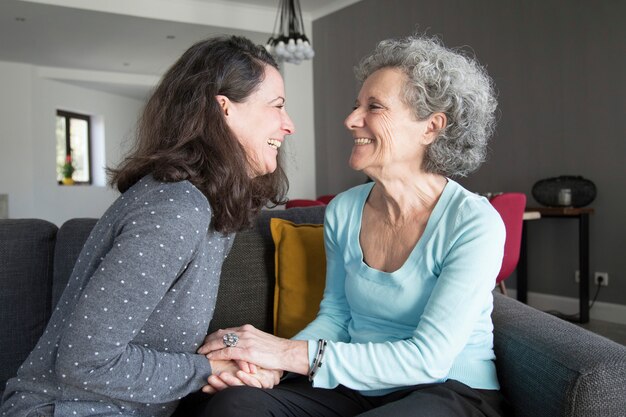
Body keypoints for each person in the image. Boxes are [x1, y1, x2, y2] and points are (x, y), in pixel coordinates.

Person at [196, 34, 510, 417]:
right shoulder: (344, 211)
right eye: (355, 105)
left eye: (374, 106)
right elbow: (337, 318)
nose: (350, 120)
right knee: (233, 404)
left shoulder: (473, 223)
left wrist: (283, 351)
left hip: (449, 390)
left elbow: (429, 359)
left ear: (431, 127)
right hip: (356, 383)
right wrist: (267, 366)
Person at [0, 35, 294, 417]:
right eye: (277, 106)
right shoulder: (174, 209)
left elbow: (150, 336)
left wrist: (228, 352)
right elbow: (85, 362)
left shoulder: (210, 211)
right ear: (225, 109)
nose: (289, 125)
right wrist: (206, 369)